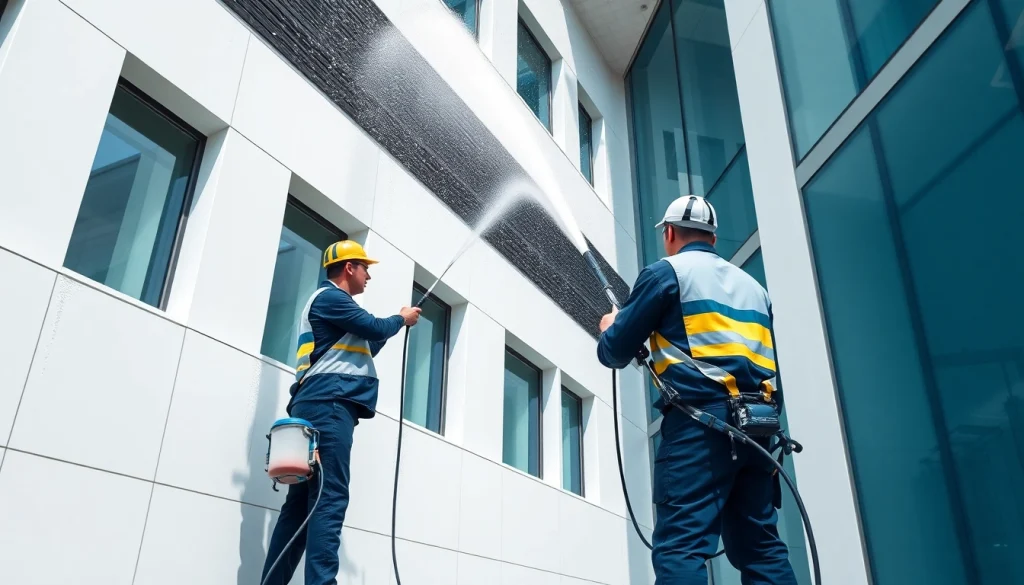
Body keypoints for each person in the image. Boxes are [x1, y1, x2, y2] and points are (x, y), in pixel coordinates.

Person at [597, 195, 796, 585]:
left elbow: (615, 352)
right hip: (758, 429)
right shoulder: (755, 289)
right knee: (762, 550)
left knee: (681, 547)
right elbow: (767, 364)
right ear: (713, 239)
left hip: (700, 430)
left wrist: (610, 328)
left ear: (669, 233)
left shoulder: (665, 274)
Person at [261, 240, 421, 585]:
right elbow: (375, 327)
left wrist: (397, 324)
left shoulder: (331, 306)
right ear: (349, 267)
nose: (368, 276)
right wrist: (400, 318)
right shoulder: (332, 298)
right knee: (329, 497)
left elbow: (369, 343)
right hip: (329, 405)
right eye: (366, 268)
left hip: (316, 403)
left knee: (300, 508)